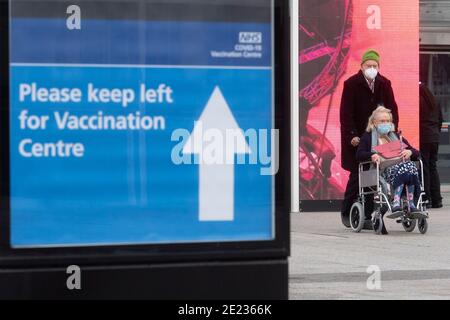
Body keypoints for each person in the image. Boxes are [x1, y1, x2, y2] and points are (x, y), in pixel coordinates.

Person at [340, 49, 399, 228]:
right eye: (369, 66)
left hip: (379, 136)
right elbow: (346, 114)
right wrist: (352, 135)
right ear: (362, 66)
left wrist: (391, 132)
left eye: (375, 66)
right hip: (358, 139)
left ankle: (368, 215)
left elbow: (393, 110)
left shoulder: (384, 84)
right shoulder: (351, 84)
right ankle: (347, 211)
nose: (372, 68)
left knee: (375, 176)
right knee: (357, 176)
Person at [356, 107, 421, 234]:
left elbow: (417, 153)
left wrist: (410, 151)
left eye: (387, 121)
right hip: (382, 170)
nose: (385, 123)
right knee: (408, 168)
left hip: (402, 170)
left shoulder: (396, 136)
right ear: (374, 122)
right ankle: (408, 203)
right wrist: (371, 155)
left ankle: (403, 203)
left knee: (410, 167)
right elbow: (359, 155)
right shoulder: (368, 137)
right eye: (382, 121)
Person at [419, 83, 443, 208]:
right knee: (433, 167)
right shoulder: (434, 100)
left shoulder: (419, 101)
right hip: (434, 137)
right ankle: (437, 199)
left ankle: (426, 198)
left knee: (425, 168)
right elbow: (440, 120)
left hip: (424, 137)